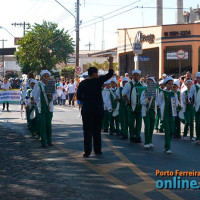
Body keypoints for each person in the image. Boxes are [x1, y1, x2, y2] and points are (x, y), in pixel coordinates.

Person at [77, 57, 114, 158]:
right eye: (97, 73)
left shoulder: (82, 83)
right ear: (94, 74)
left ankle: (87, 151)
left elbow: (79, 97)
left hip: (87, 109)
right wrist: (110, 62)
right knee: (97, 130)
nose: (98, 75)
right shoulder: (98, 81)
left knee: (87, 131)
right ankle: (98, 150)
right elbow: (110, 73)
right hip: (98, 109)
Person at [122, 70, 146, 143]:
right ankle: (132, 136)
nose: (136, 76)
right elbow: (123, 94)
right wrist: (128, 101)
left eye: (137, 75)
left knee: (139, 122)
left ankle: (138, 136)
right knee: (131, 122)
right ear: (132, 76)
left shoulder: (143, 84)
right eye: (135, 75)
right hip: (131, 106)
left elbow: (146, 93)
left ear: (139, 76)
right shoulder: (128, 84)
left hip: (140, 106)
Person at [33, 70, 55, 147]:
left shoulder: (51, 84)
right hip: (41, 108)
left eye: (47, 76)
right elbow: (35, 96)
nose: (46, 78)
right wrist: (38, 102)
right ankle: (43, 141)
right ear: (42, 77)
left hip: (49, 107)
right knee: (42, 125)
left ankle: (49, 140)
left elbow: (54, 95)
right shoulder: (38, 85)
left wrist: (52, 97)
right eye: (45, 76)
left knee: (48, 124)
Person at [157, 77, 178, 154]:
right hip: (165, 114)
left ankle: (167, 145)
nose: (171, 86)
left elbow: (176, 103)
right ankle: (167, 147)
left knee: (172, 131)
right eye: (169, 84)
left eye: (172, 84)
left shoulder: (173, 93)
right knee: (168, 131)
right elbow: (158, 102)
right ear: (165, 84)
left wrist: (175, 105)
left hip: (172, 114)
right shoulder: (162, 93)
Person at [141, 77, 158, 148]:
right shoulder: (144, 92)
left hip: (153, 112)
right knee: (147, 126)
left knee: (151, 127)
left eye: (152, 82)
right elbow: (141, 102)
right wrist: (147, 100)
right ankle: (146, 142)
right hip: (146, 111)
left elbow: (159, 101)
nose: (150, 84)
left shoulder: (157, 92)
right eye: (149, 82)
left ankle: (150, 141)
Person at [189, 72, 200, 144]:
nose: (199, 79)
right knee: (198, 123)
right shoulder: (194, 86)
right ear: (197, 78)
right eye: (198, 78)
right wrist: (190, 100)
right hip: (197, 107)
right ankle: (198, 138)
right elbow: (190, 95)